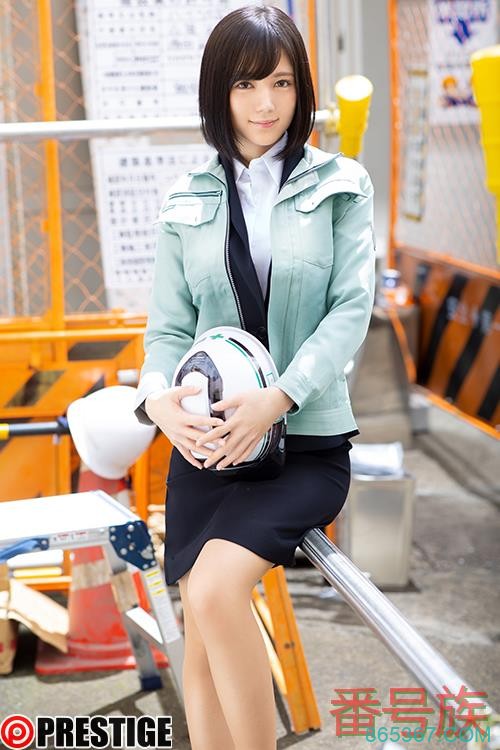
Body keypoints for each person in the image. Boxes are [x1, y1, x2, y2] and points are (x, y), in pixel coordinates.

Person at [134, 5, 376, 748]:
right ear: (220, 91)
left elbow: (349, 309)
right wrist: (157, 402)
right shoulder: (187, 197)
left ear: (302, 88)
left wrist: (278, 398)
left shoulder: (342, 183)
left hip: (303, 444)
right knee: (199, 632)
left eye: (281, 82)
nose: (266, 104)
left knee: (214, 591)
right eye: (245, 84)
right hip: (208, 447)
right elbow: (167, 329)